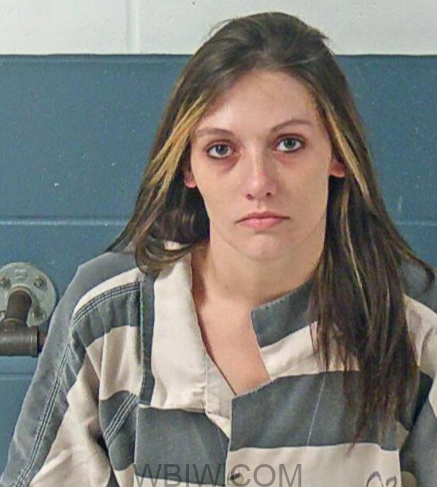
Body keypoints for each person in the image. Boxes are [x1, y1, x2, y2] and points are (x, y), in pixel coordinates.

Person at [1, 10, 436, 487]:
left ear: (337, 153)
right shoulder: (108, 313)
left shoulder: (415, 322)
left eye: (289, 144)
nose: (258, 182)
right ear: (188, 168)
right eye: (221, 150)